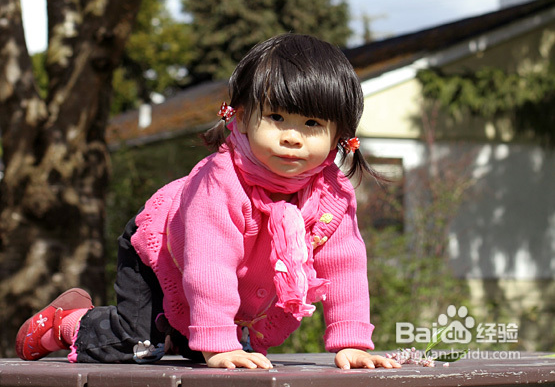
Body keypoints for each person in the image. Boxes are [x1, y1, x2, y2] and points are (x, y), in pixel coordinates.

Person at [16, 34, 401, 371]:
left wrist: (350, 341)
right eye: (277, 117)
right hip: (161, 248)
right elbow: (209, 264)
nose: (292, 137)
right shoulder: (221, 183)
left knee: (196, 350)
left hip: (212, 277)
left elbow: (344, 267)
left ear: (340, 134)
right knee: (139, 341)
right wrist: (219, 341)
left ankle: (180, 334)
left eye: (312, 124)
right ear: (245, 118)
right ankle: (66, 322)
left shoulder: (331, 196)